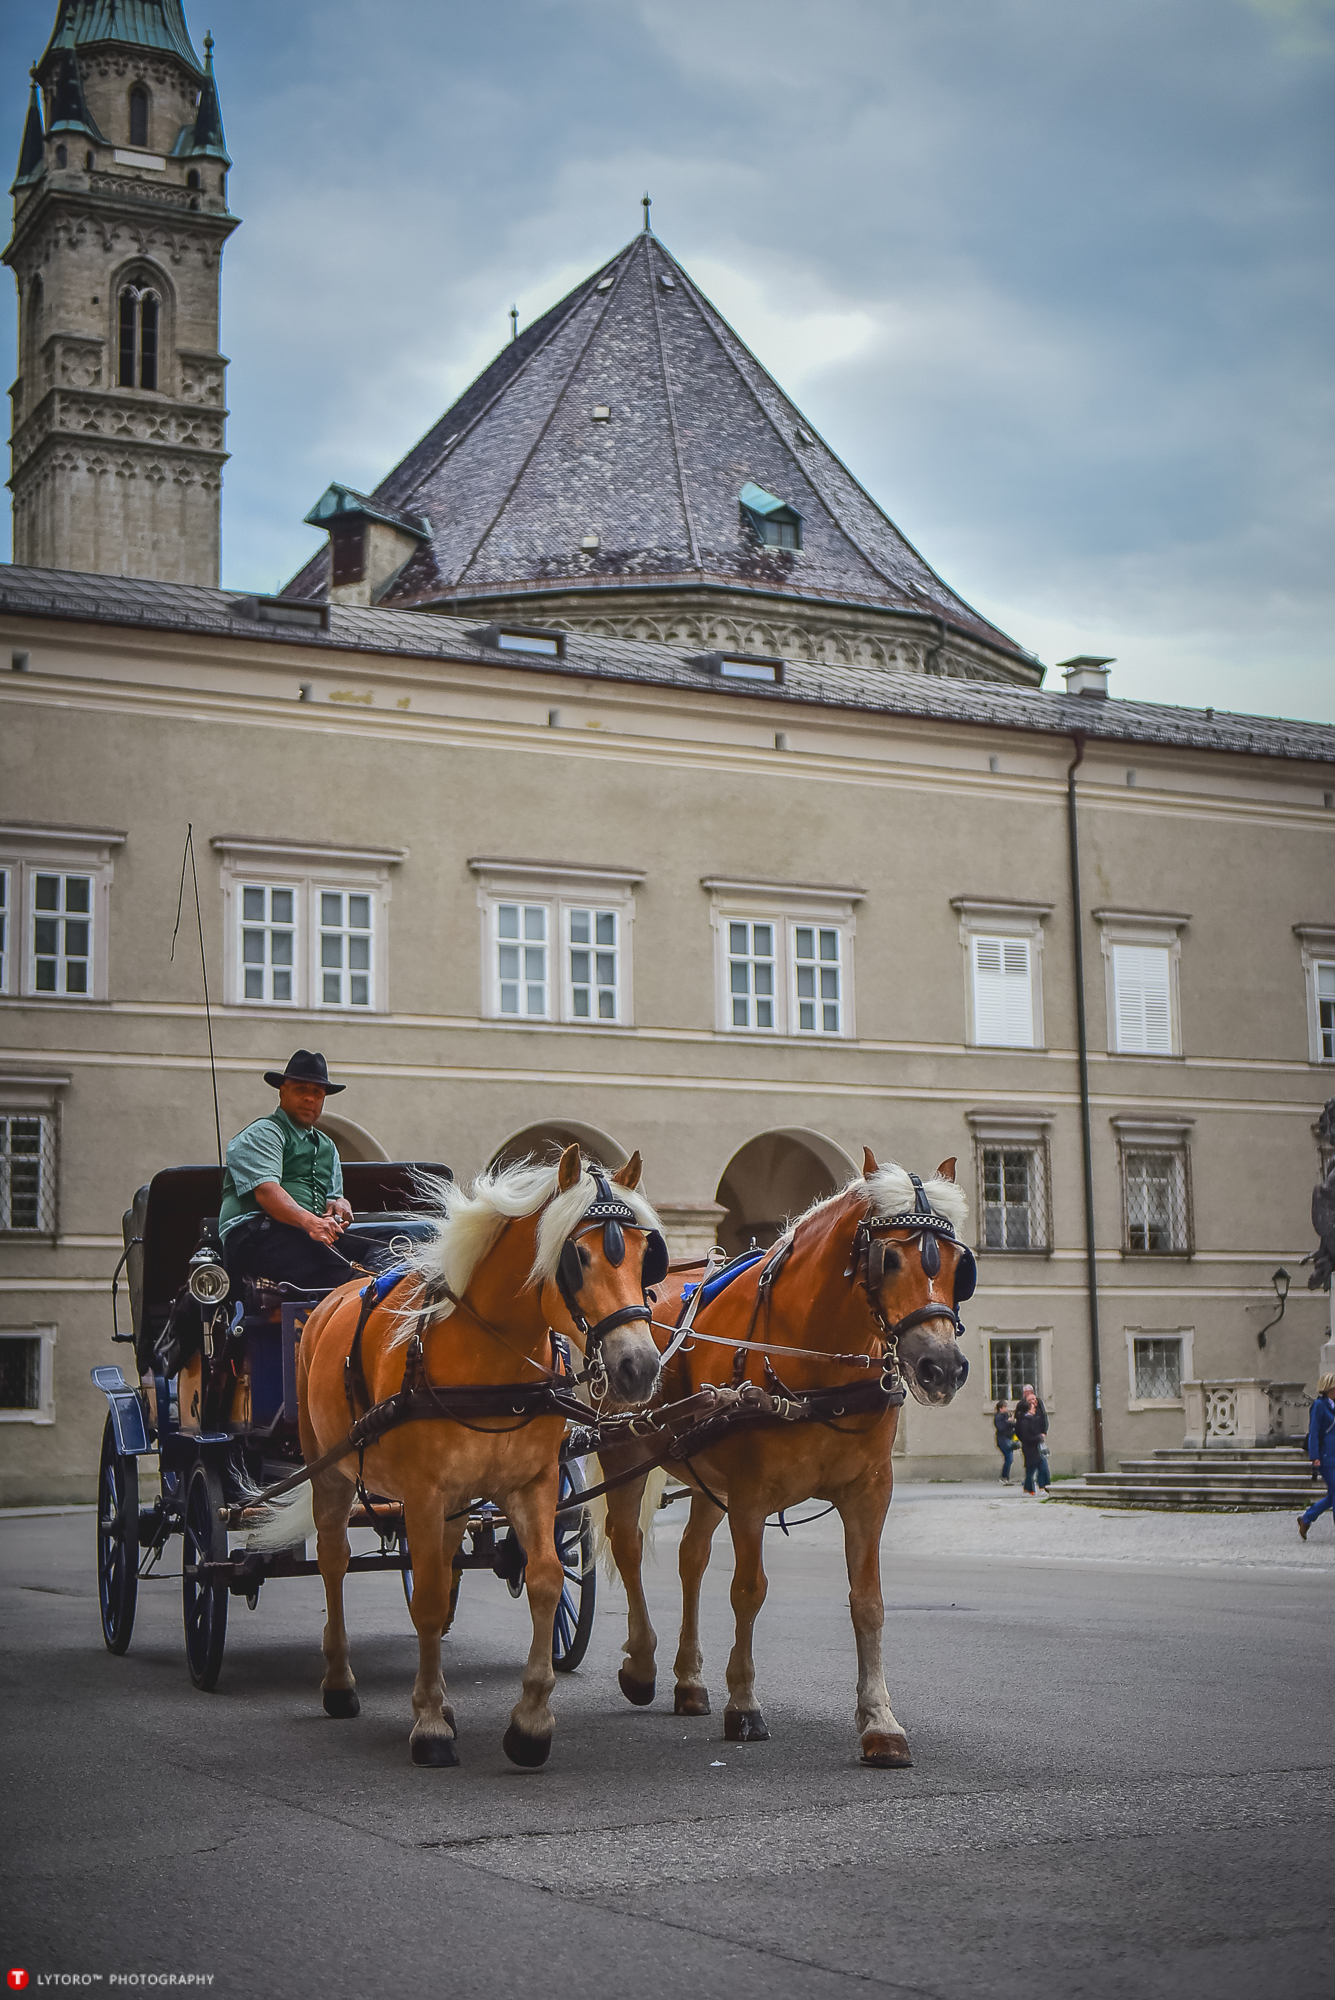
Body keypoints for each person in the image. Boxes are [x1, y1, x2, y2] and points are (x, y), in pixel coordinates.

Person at [218, 1050, 385, 1291]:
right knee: (330, 1265)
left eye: (317, 1093)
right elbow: (266, 1193)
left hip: (306, 1235)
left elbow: (331, 1199)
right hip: (256, 1233)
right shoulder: (265, 1132)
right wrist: (311, 1223)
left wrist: (339, 1205)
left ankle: (383, 1284)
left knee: (391, 1242)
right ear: (282, 1091)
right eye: (301, 1090)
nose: (309, 1098)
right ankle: (360, 1291)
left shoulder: (327, 1146)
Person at [1297, 1371, 1335, 1540]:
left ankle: (1306, 1518)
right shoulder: (1320, 1405)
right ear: (1328, 1389)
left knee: (1332, 1495)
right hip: (1326, 1457)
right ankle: (1306, 1518)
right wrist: (1315, 1457)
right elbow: (1314, 1432)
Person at [1013, 1383, 1050, 1495]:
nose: (1034, 1403)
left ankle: (1031, 1488)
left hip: (1036, 1443)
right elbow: (1022, 1433)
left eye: (1034, 1398)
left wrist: (1043, 1432)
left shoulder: (1037, 1409)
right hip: (1031, 1445)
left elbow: (1044, 1419)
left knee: (1033, 1467)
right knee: (1037, 1466)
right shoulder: (1024, 1418)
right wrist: (1037, 1437)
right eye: (1031, 1400)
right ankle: (1041, 1487)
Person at [993, 1400, 1017, 1482]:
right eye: (1005, 1407)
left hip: (1008, 1438)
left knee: (1009, 1459)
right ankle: (1004, 1476)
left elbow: (1011, 1426)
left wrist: (1013, 1423)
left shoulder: (1006, 1415)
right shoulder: (998, 1417)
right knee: (1009, 1458)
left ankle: (1005, 1476)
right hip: (1002, 1440)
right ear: (1000, 1408)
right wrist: (1009, 1422)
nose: (1007, 1408)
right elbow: (1001, 1428)